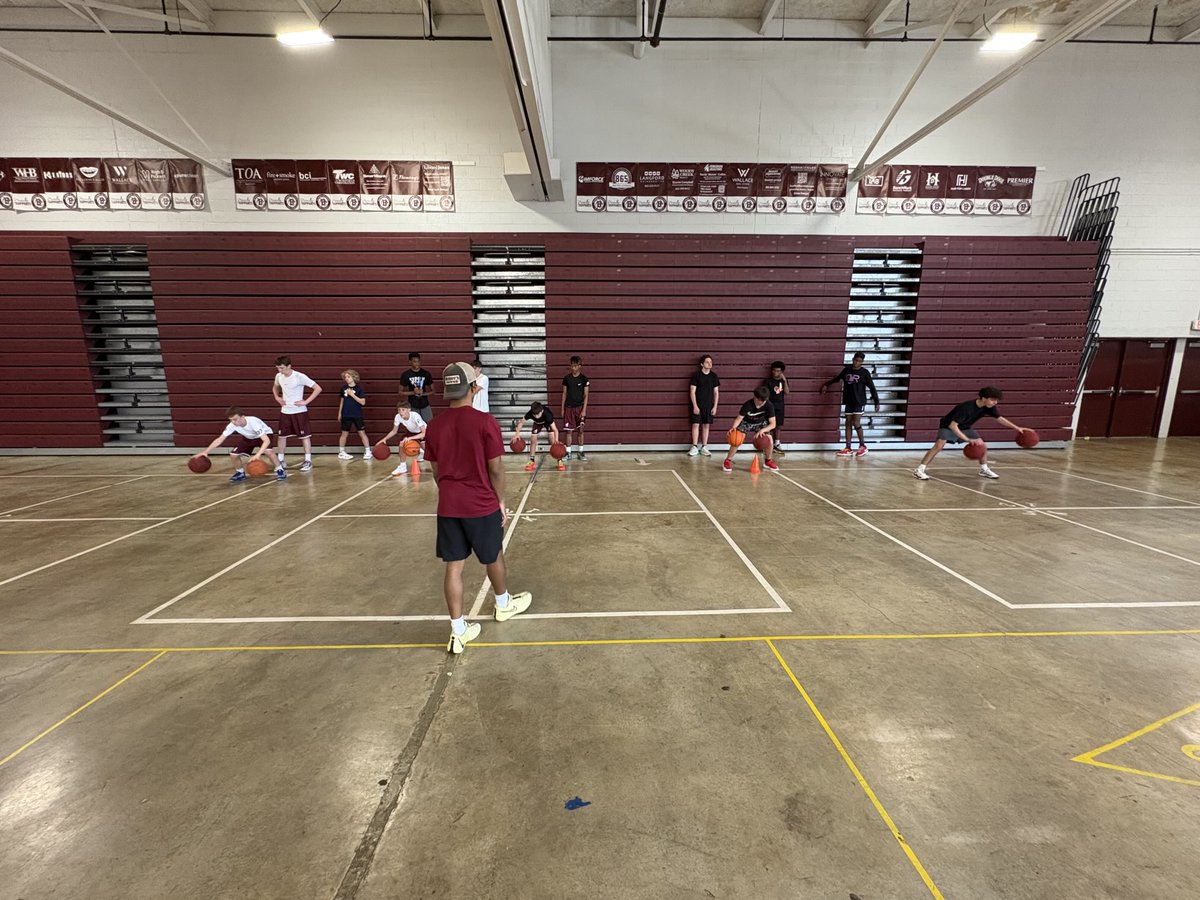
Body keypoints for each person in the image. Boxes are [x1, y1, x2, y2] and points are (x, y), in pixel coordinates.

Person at [424, 361, 532, 654]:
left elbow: (435, 471)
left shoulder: (433, 426)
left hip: (448, 505)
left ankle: (458, 631)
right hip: (481, 504)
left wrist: (450, 492)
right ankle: (503, 604)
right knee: (492, 555)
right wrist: (501, 502)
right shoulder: (486, 422)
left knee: (454, 566)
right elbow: (495, 469)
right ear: (474, 387)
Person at [914, 386, 1031, 481]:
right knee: (939, 446)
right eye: (992, 399)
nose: (995, 402)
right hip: (948, 426)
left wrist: (1017, 428)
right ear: (984, 398)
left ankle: (984, 470)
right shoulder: (966, 407)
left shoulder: (988, 407)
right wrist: (967, 439)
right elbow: (953, 426)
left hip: (965, 427)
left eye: (996, 400)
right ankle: (919, 470)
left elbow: (999, 418)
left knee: (982, 445)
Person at [192, 406, 286, 483]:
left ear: (242, 417)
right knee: (233, 455)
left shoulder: (253, 422)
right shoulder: (232, 425)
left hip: (264, 435)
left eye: (235, 419)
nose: (233, 422)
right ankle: (240, 473)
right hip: (249, 437)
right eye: (231, 420)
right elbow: (220, 439)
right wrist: (206, 452)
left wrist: (258, 454)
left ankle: (280, 470)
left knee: (268, 451)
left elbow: (266, 440)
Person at [821, 352, 879, 458]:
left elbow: (872, 387)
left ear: (862, 362)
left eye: (859, 361)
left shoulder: (865, 373)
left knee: (856, 423)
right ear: (853, 359)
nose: (857, 363)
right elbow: (837, 379)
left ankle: (862, 445)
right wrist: (826, 384)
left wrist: (877, 402)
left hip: (859, 401)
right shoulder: (846, 370)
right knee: (848, 423)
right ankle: (848, 447)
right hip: (848, 401)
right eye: (855, 360)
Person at [273, 356, 321, 473]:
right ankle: (280, 460)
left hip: (299, 411)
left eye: (282, 368)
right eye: (278, 368)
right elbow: (275, 387)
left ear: (289, 366)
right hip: (285, 411)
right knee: (281, 436)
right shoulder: (278, 376)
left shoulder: (299, 376)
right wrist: (277, 397)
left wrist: (306, 401)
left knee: (305, 436)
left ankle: (308, 460)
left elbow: (318, 388)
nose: (280, 370)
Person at [723, 386, 779, 474]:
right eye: (759, 400)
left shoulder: (769, 405)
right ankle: (727, 460)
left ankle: (768, 461)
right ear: (755, 397)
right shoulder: (747, 405)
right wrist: (733, 428)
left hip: (761, 423)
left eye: (763, 401)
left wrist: (762, 431)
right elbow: (739, 419)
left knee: (770, 440)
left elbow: (773, 424)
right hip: (747, 422)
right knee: (737, 439)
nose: (761, 403)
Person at [376, 400, 428, 477]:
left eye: (403, 410)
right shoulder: (397, 417)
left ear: (409, 410)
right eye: (399, 410)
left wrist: (410, 438)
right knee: (402, 444)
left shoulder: (415, 415)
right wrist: (384, 439)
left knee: (427, 450)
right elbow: (394, 431)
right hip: (411, 432)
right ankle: (402, 466)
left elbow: (424, 433)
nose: (401, 412)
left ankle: (436, 462)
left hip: (423, 431)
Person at [513, 401, 561, 472]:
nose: (536, 416)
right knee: (533, 440)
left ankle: (559, 459)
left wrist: (556, 440)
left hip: (547, 423)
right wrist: (517, 433)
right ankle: (532, 461)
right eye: (534, 415)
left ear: (541, 411)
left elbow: (555, 429)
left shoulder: (548, 415)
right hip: (537, 424)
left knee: (553, 441)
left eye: (537, 414)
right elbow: (521, 422)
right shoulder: (531, 413)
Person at [688, 354, 720, 457]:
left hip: (709, 405)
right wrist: (695, 406)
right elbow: (692, 391)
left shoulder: (714, 376)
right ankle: (694, 447)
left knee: (706, 425)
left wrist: (715, 406)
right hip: (698, 404)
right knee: (696, 424)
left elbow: (716, 393)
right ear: (702, 364)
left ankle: (704, 447)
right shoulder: (696, 375)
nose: (709, 364)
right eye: (707, 362)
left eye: (711, 362)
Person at [336, 369, 371, 461]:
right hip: (346, 414)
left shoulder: (359, 389)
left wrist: (352, 395)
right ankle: (341, 452)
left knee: (362, 433)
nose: (346, 379)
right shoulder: (343, 388)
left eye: (348, 377)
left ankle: (367, 451)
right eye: (345, 377)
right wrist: (340, 413)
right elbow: (342, 401)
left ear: (354, 377)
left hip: (357, 414)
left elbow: (363, 402)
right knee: (344, 433)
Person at [561, 355, 590, 461]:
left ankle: (581, 452)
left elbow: (586, 395)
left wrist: (584, 410)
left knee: (580, 430)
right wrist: (562, 408)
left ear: (579, 366)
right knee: (568, 431)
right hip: (568, 408)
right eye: (571, 366)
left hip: (579, 408)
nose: (573, 368)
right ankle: (568, 453)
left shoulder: (584, 379)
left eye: (575, 366)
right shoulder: (566, 378)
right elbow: (564, 394)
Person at [399, 352, 435, 423]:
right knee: (415, 425)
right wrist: (413, 392)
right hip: (412, 405)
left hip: (425, 404)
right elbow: (400, 392)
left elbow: (433, 391)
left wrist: (423, 393)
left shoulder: (426, 374)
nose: (417, 363)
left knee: (430, 424)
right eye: (414, 361)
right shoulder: (406, 375)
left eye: (418, 361)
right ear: (410, 362)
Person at [764, 361, 789, 454]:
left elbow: (787, 392)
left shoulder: (783, 381)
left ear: (782, 372)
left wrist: (785, 381)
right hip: (770, 406)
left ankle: (777, 444)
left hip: (780, 406)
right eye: (774, 370)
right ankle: (768, 444)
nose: (775, 373)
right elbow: (764, 394)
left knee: (778, 426)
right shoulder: (767, 381)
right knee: (769, 426)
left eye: (778, 371)